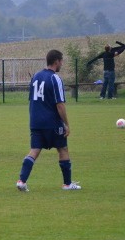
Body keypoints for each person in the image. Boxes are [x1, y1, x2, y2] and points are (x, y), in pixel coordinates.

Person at [16, 49, 81, 192]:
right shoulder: (55, 78)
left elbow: (32, 100)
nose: (62, 64)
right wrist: (66, 124)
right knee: (63, 149)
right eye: (61, 61)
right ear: (56, 61)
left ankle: (21, 181)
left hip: (35, 121)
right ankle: (67, 184)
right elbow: (60, 104)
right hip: (52, 122)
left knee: (34, 150)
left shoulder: (35, 76)